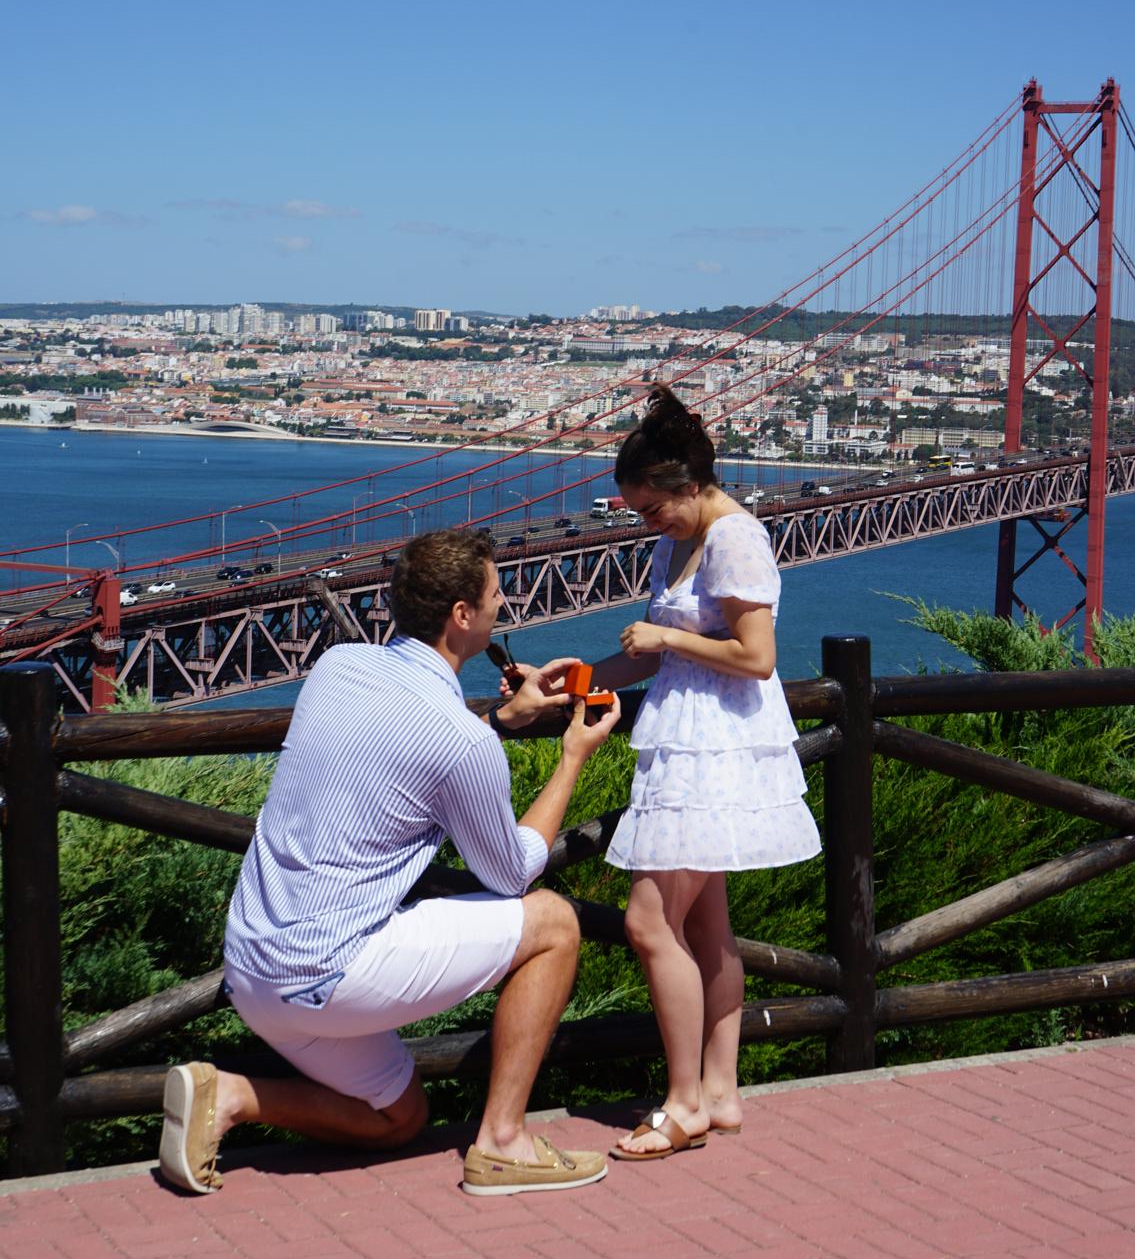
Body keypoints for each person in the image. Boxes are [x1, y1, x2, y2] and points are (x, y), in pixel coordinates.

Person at [158, 527, 620, 1198]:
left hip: (253, 968)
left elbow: (404, 751)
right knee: (552, 923)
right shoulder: (459, 740)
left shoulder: (337, 666)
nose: (503, 605)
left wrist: (497, 718)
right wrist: (572, 755)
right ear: (463, 615)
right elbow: (512, 872)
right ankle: (503, 1144)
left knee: (397, 1118)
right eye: (496, 595)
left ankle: (229, 1094)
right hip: (326, 974)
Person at [589, 385, 821, 1161]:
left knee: (648, 920)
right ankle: (719, 1093)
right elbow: (653, 643)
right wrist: (574, 677)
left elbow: (758, 659)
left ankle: (683, 1102)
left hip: (713, 749)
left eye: (651, 509)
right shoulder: (682, 537)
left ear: (688, 485)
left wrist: (664, 638)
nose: (645, 523)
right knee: (706, 921)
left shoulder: (734, 538)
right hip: (691, 738)